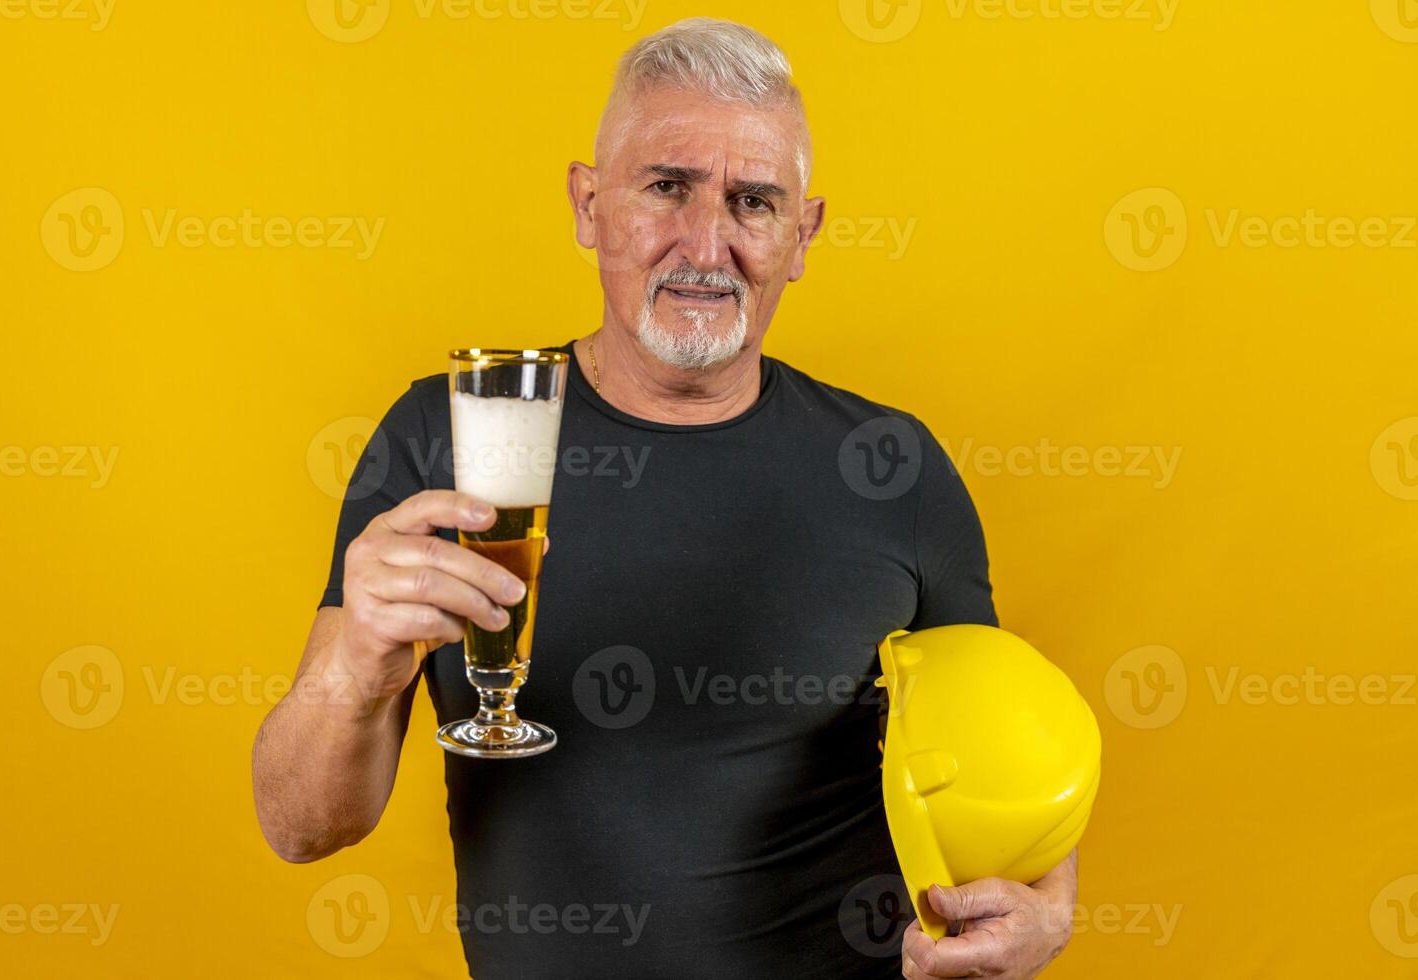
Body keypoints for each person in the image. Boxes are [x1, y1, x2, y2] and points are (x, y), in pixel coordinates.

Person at [252, 17, 1076, 979]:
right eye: (666, 187)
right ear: (588, 204)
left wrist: (1048, 909)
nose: (706, 243)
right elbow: (301, 826)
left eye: (754, 201)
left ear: (801, 237)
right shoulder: (450, 438)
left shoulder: (893, 465)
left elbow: (1004, 753)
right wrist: (357, 669)